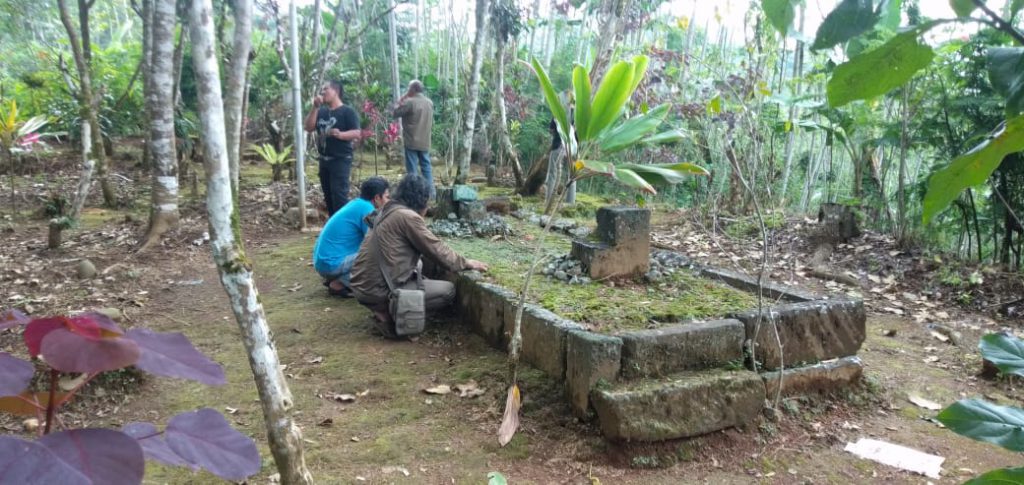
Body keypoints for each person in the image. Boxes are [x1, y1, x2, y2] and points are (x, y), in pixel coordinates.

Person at [350, 174, 488, 337]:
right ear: (422, 201)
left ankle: (383, 309)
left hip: (361, 286)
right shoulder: (408, 217)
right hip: (377, 290)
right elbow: (437, 250)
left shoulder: (386, 211)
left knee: (421, 272)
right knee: (447, 291)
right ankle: (394, 316)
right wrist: (466, 263)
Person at [312, 177, 390, 297]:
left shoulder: (356, 204)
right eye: (386, 197)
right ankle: (340, 283)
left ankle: (342, 278)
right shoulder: (367, 209)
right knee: (379, 254)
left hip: (323, 262)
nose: (388, 201)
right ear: (377, 198)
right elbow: (377, 241)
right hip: (332, 264)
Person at [304, 80, 362, 216]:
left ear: (336, 91)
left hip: (340, 160)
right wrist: (315, 107)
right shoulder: (321, 111)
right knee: (328, 196)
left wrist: (341, 135)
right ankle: (333, 227)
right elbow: (308, 127)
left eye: (326, 89)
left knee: (339, 196)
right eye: (322, 90)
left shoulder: (347, 112)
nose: (323, 92)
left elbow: (357, 133)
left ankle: (344, 229)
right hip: (324, 160)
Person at [393, 80, 435, 197]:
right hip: (425, 140)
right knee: (426, 167)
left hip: (411, 140)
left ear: (413, 89)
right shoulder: (429, 102)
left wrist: (402, 99)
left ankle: (414, 195)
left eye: (409, 88)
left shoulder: (410, 102)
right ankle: (431, 194)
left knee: (412, 170)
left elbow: (395, 113)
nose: (407, 90)